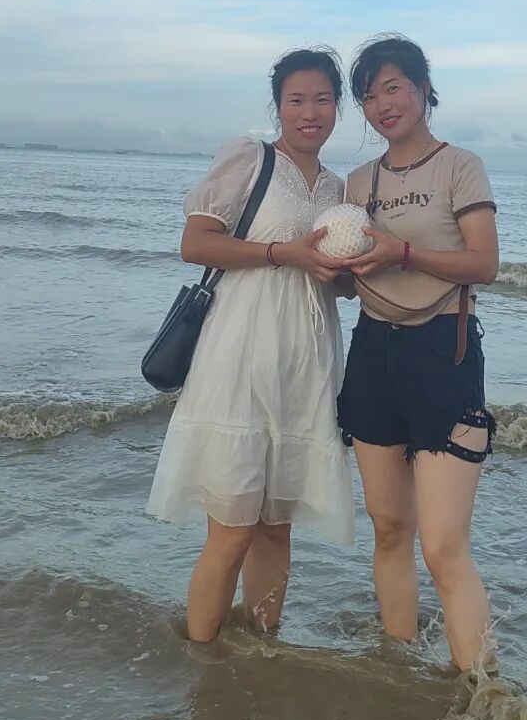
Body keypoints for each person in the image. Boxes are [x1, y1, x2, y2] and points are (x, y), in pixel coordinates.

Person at [146, 47, 354, 642]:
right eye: (296, 100)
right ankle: (203, 658)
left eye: (322, 100)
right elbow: (195, 243)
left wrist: (346, 273)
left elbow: (336, 283)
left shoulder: (337, 188)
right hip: (240, 354)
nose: (309, 113)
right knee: (232, 529)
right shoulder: (251, 159)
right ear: (278, 106)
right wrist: (282, 253)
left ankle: (264, 649)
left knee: (276, 526)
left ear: (337, 107)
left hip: (305, 362)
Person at [337, 35, 500, 670]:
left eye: (392, 87)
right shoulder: (358, 183)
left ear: (423, 89)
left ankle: (482, 692)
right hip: (372, 352)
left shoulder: (460, 166)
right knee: (388, 529)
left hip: (443, 351)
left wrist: (401, 252)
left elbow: (484, 264)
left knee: (443, 547)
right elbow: (352, 277)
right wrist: (330, 267)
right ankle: (397, 671)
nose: (382, 104)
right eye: (368, 95)